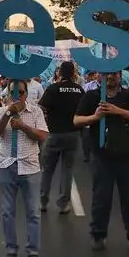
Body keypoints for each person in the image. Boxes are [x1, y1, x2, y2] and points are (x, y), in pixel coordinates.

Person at [74, 70, 129, 254]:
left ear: (120, 75)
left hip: (128, 157)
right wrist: (95, 117)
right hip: (102, 158)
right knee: (101, 198)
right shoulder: (92, 96)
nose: (111, 77)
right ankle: (98, 234)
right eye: (106, 74)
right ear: (100, 76)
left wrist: (119, 111)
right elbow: (76, 120)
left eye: (114, 73)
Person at [0, 79, 49, 257]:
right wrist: (8, 114)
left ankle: (33, 250)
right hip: (7, 165)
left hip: (30, 166)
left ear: (27, 94)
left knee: (33, 211)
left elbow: (42, 136)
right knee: (8, 211)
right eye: (14, 93)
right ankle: (11, 250)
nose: (18, 97)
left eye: (22, 93)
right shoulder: (1, 111)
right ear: (8, 95)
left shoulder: (36, 111)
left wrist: (23, 126)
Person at [37, 61, 84, 214]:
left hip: (54, 133)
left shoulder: (53, 88)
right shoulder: (79, 90)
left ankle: (43, 201)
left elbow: (42, 107)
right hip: (73, 134)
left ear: (59, 73)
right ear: (74, 74)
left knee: (48, 169)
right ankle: (64, 203)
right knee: (67, 170)